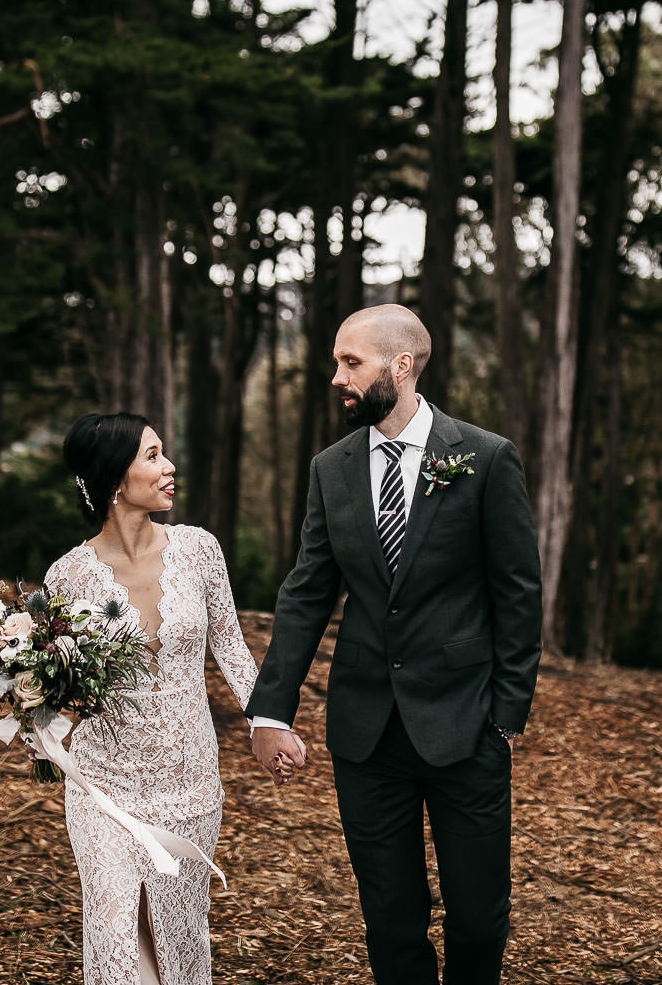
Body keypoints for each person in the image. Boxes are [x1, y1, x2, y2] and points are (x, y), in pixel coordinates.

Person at [246, 305, 543, 985]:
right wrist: (271, 712)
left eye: (351, 362)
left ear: (400, 365)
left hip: (467, 725)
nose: (336, 378)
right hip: (366, 732)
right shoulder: (332, 468)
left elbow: (519, 595)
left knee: (477, 916)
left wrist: (505, 713)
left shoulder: (485, 458)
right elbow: (306, 594)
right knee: (390, 915)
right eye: (337, 362)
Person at [44, 413, 305, 985]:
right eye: (153, 456)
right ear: (116, 479)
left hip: (188, 779)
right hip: (102, 782)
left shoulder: (198, 549)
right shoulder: (66, 577)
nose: (169, 468)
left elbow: (231, 647)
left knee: (177, 935)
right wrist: (37, 724)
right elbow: (59, 689)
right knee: (116, 928)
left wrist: (270, 722)